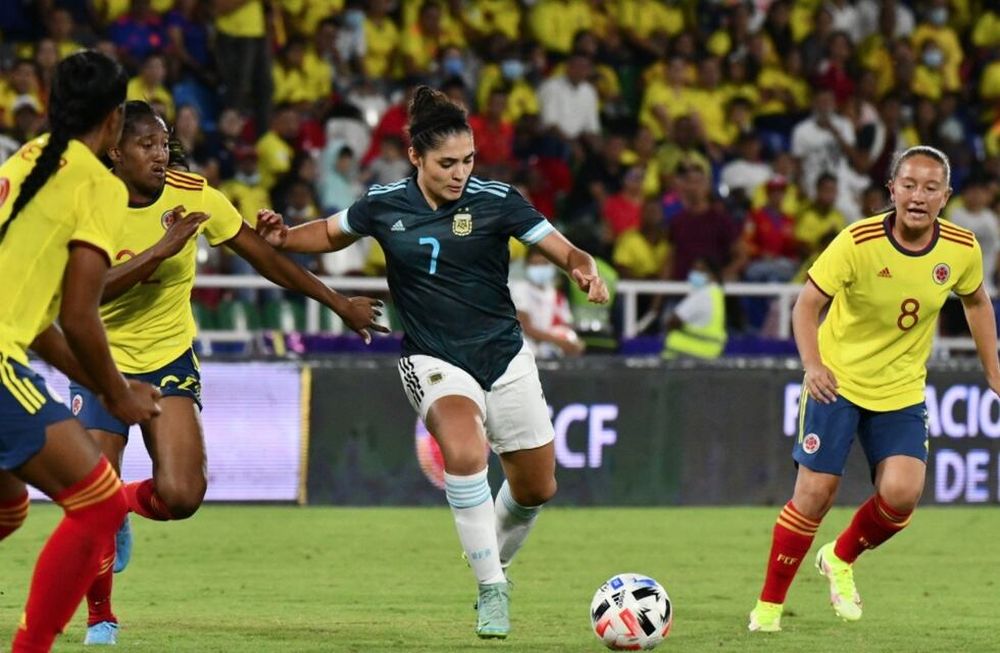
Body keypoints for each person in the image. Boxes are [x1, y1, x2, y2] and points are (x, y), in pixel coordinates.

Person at [256, 86, 609, 639]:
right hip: (432, 356)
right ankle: (491, 588)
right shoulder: (384, 203)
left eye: (468, 160)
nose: (460, 172)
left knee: (538, 487)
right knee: (465, 451)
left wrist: (584, 271)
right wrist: (283, 237)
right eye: (447, 163)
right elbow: (327, 232)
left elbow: (565, 250)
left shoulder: (498, 199)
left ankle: (490, 558)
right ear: (416, 158)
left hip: (504, 353)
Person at [71, 100, 386, 646]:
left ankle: (120, 504)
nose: (159, 154)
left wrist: (336, 302)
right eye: (146, 145)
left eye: (164, 143)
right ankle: (101, 617)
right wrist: (162, 249)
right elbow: (89, 291)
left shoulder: (193, 194)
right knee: (90, 499)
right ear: (115, 152)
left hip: (167, 358)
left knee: (183, 496)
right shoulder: (87, 202)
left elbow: (263, 257)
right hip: (98, 361)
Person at [748, 146, 1000, 632]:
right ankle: (769, 607)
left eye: (931, 188)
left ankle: (839, 559)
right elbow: (805, 306)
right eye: (908, 185)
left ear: (945, 197)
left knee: (903, 493)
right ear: (892, 190)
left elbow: (977, 303)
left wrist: (993, 370)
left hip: (901, 391)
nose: (918, 196)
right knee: (815, 495)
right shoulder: (856, 241)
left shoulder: (962, 248)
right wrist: (813, 366)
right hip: (837, 384)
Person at [0, 50, 162, 653]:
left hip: (10, 348)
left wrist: (102, 388)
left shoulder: (28, 158)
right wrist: (119, 394)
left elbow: (42, 323)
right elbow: (78, 313)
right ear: (115, 118)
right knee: (96, 505)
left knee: (10, 508)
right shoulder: (96, 182)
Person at [662, 258, 727, 360]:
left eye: (700, 271)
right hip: (708, 356)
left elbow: (673, 320)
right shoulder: (716, 294)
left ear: (712, 275)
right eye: (694, 270)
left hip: (685, 357)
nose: (694, 274)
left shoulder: (703, 294)